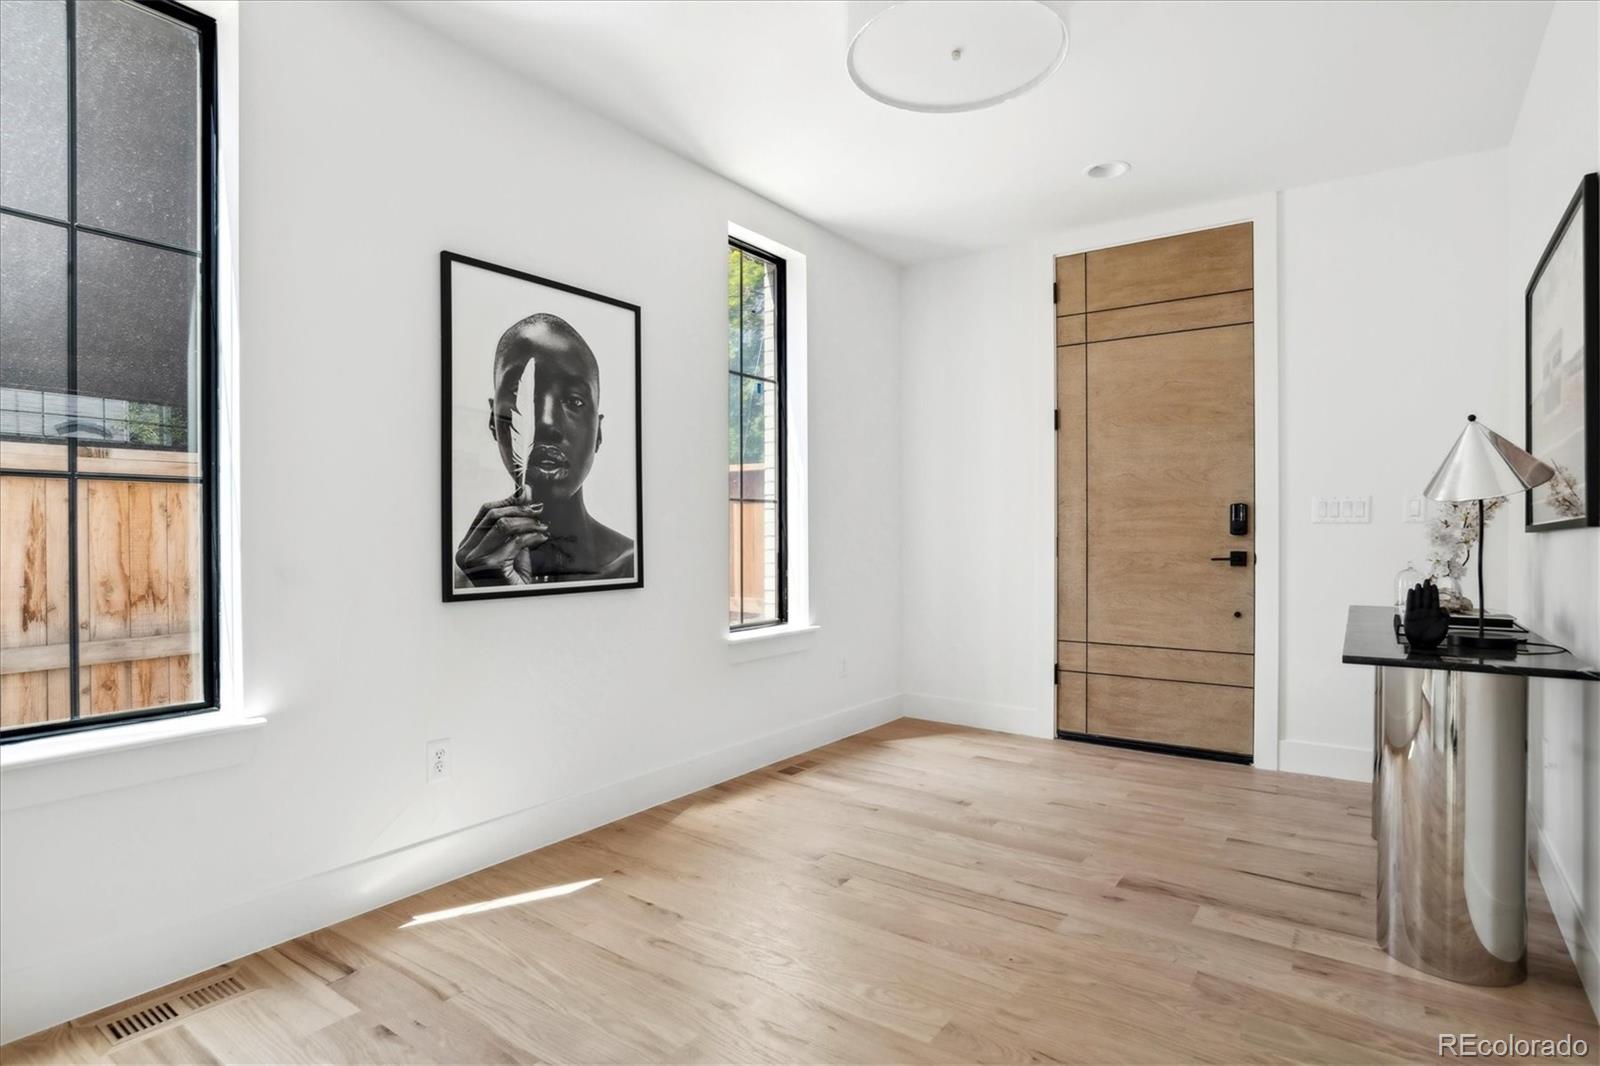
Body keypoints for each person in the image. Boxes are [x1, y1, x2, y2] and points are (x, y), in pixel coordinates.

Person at [454, 313, 634, 585]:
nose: (546, 423)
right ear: (494, 419)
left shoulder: (633, 564)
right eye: (520, 394)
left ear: (598, 433)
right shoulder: (464, 577)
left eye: (574, 401)